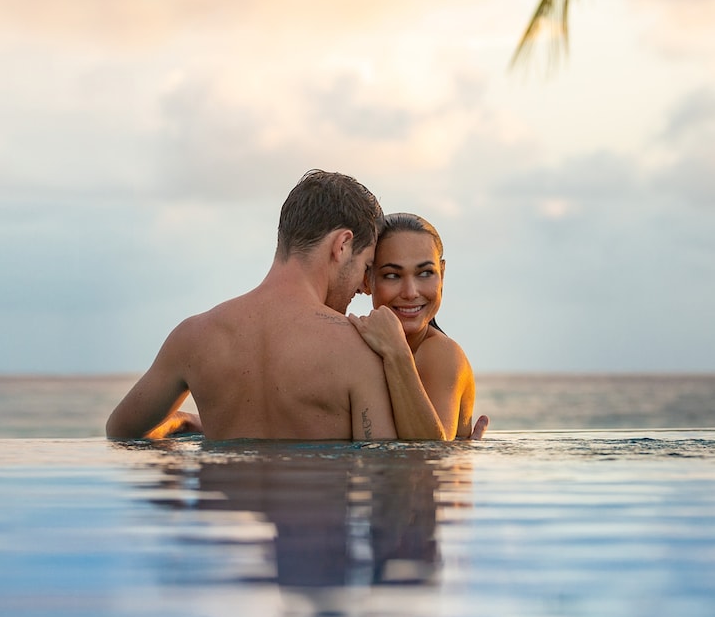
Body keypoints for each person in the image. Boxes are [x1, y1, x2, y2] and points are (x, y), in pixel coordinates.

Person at [105, 169, 397, 441]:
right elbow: (386, 474)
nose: (363, 286)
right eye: (366, 266)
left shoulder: (193, 338)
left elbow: (120, 432)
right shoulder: (357, 349)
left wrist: (191, 427)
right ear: (342, 244)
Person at [348, 213, 487, 440]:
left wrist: (397, 352)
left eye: (425, 273)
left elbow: (429, 454)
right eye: (392, 275)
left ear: (442, 274)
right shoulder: (358, 346)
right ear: (366, 280)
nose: (411, 292)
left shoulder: (443, 354)